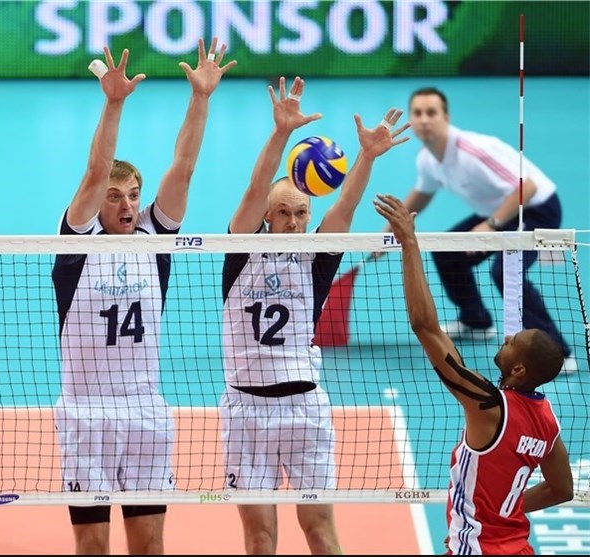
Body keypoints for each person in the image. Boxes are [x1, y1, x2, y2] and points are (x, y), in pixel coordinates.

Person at [51, 39, 234, 555]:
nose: (127, 205)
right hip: (86, 414)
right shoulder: (76, 244)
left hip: (145, 411)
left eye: (133, 195)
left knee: (150, 546)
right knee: (93, 547)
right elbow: (95, 171)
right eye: (115, 197)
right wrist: (114, 104)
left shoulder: (155, 237)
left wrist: (201, 97)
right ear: (97, 203)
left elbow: (184, 165)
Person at [220, 75, 410, 555]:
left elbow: (345, 204)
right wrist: (281, 133)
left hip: (305, 408)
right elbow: (255, 187)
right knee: (260, 538)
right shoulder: (240, 250)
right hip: (245, 410)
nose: (294, 222)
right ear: (266, 216)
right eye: (284, 212)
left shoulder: (317, 260)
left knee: (321, 531)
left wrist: (367, 157)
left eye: (302, 213)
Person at [374, 192, 574, 554]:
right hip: (516, 547)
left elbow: (425, 326)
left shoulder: (487, 404)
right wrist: (495, 515)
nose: (508, 336)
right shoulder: (547, 421)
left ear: (518, 369)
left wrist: (409, 242)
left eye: (515, 341)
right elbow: (562, 489)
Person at [393, 86, 576, 373]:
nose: (424, 119)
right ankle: (476, 321)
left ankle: (558, 354)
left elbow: (527, 187)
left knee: (505, 272)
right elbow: (422, 193)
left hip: (534, 209)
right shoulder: (427, 158)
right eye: (418, 113)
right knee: (446, 251)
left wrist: (489, 225)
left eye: (431, 112)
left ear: (445, 117)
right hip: (499, 210)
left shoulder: (472, 151)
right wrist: (391, 230)